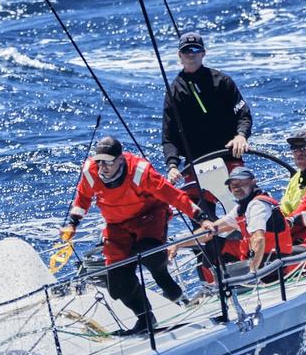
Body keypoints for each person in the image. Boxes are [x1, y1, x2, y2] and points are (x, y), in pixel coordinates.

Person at [61, 136, 214, 335]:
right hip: (117, 225)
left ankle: (173, 290)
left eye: (108, 162)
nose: (102, 167)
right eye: (99, 161)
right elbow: (82, 199)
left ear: (120, 160)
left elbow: (174, 196)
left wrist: (202, 218)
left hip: (149, 217)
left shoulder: (140, 172)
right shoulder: (91, 172)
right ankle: (145, 318)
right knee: (117, 283)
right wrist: (72, 224)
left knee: (149, 253)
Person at [161, 32, 253, 201]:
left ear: (203, 53)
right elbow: (169, 137)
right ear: (179, 55)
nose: (191, 54)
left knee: (242, 213)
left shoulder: (223, 81)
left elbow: (243, 114)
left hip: (228, 158)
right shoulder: (173, 92)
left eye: (196, 49)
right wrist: (172, 166)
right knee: (202, 223)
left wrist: (241, 136)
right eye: (186, 50)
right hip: (195, 166)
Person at [213, 167, 293, 274]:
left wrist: (252, 272)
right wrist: (183, 243)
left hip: (273, 263)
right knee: (214, 245)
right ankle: (213, 285)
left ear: (253, 183)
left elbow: (259, 239)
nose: (237, 188)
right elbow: (212, 229)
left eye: (242, 183)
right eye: (233, 186)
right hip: (258, 257)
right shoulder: (241, 208)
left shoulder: (258, 205)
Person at [280, 127, 306, 216]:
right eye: (294, 149)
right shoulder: (295, 179)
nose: (298, 153)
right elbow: (284, 207)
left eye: (304, 149)